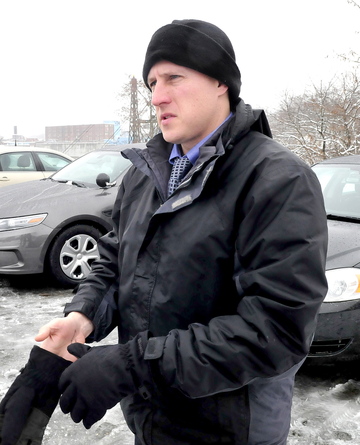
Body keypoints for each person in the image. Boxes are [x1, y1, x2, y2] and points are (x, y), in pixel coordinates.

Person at [35, 19, 328, 445]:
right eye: (153, 82)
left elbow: (276, 330)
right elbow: (116, 261)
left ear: (220, 83)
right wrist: (83, 315)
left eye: (174, 77)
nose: (158, 97)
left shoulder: (277, 180)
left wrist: (133, 365)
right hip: (153, 419)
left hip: (230, 430)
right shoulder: (145, 175)